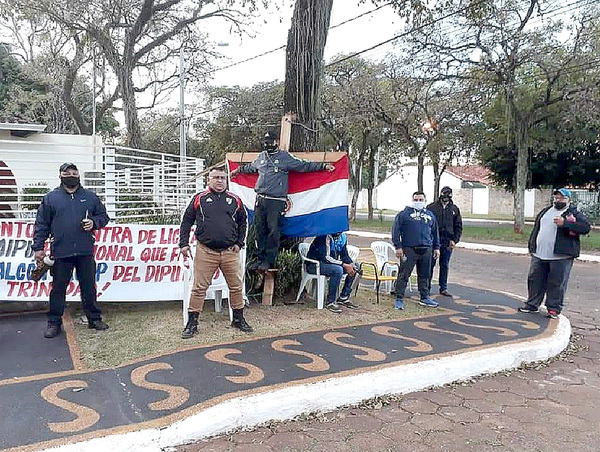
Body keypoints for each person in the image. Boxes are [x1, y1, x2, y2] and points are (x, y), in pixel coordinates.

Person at [230, 131, 334, 271]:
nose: (268, 145)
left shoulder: (284, 157)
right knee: (259, 230)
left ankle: (269, 261)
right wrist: (238, 171)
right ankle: (259, 258)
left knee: (273, 232)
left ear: (276, 142)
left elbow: (303, 165)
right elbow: (251, 168)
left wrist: (322, 166)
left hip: (276, 201)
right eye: (266, 142)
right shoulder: (262, 157)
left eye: (270, 142)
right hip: (260, 200)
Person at [33, 163, 110, 338]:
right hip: (61, 252)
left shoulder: (90, 197)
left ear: (79, 175)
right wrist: (38, 248)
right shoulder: (51, 198)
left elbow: (104, 217)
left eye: (75, 172)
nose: (71, 175)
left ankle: (94, 318)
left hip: (85, 251)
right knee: (58, 289)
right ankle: (54, 322)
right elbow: (41, 224)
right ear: (60, 175)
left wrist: (94, 223)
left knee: (89, 287)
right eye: (67, 173)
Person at [179, 168, 251, 338]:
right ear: (208, 180)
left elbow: (243, 222)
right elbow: (186, 221)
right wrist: (183, 243)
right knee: (199, 288)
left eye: (223, 178)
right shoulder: (199, 199)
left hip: (229, 252)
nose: (220, 181)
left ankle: (238, 319)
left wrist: (240, 243)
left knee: (236, 287)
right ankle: (192, 323)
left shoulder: (235, 200)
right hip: (206, 251)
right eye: (216, 178)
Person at [518, 188, 591, 319]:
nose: (558, 200)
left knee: (556, 283)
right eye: (557, 197)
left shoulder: (573, 213)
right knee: (535, 280)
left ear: (569, 200)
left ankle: (553, 308)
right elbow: (537, 229)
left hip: (561, 256)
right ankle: (532, 304)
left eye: (562, 198)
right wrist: (532, 246)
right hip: (539, 254)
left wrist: (566, 223)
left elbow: (585, 228)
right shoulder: (545, 211)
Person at [392, 191, 440, 310]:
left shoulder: (430, 215)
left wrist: (436, 247)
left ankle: (424, 297)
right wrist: (398, 246)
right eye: (416, 200)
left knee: (425, 275)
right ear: (412, 200)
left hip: (426, 249)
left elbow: (435, 232)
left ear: (425, 201)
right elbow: (396, 231)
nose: (418, 202)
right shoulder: (404, 214)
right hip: (409, 249)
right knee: (404, 274)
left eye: (421, 200)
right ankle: (399, 298)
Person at [306, 232, 360, 313]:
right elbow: (326, 258)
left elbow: (344, 255)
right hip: (314, 265)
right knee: (338, 270)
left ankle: (344, 297)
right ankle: (330, 301)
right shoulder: (324, 236)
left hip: (328, 264)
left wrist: (351, 264)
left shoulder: (342, 237)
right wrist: (344, 265)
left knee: (356, 267)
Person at [427, 186, 462, 297]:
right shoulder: (432, 207)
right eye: (444, 194)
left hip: (447, 241)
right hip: (433, 241)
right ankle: (426, 287)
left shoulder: (454, 209)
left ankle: (443, 288)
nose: (446, 197)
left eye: (448, 194)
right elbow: (427, 224)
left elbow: (458, 226)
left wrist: (454, 240)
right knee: (430, 264)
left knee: (444, 265)